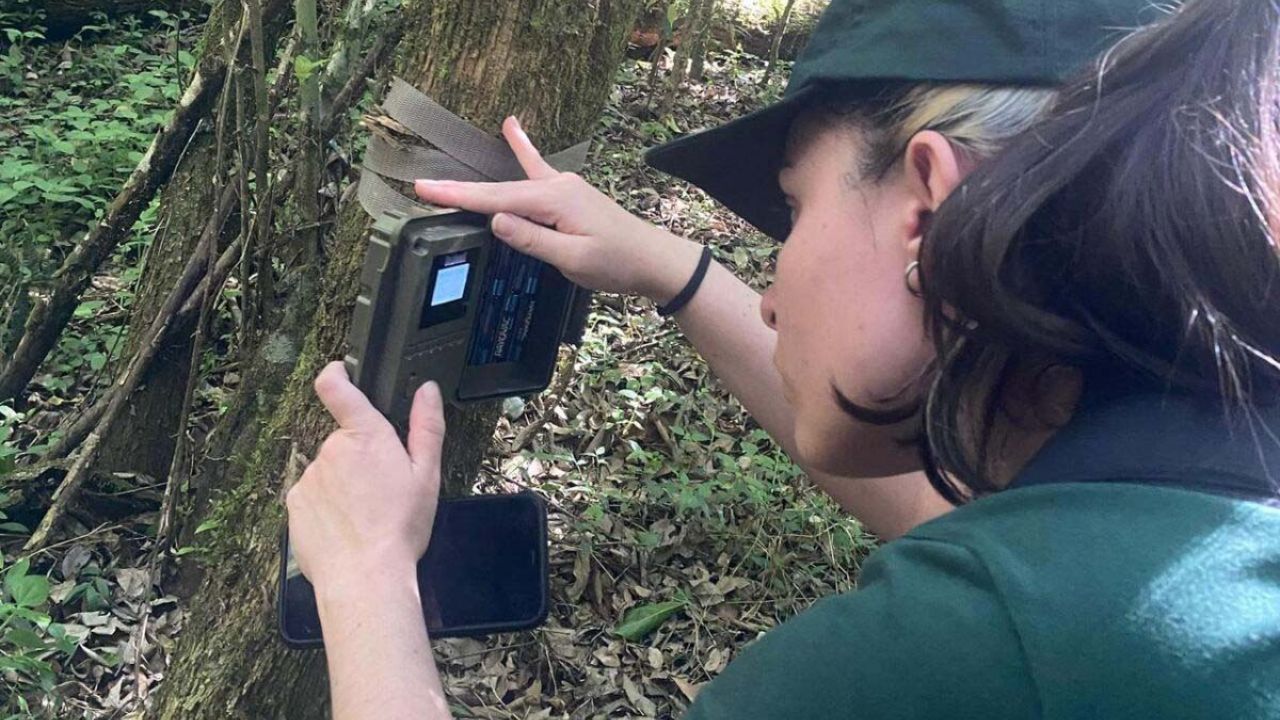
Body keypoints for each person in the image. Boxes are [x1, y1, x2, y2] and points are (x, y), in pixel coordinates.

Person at [283, 0, 1280, 716]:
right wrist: (670, 272)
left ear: (924, 208)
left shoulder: (961, 657)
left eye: (792, 213)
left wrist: (367, 580)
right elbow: (985, 532)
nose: (770, 290)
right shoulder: (1200, 508)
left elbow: (1007, 612)